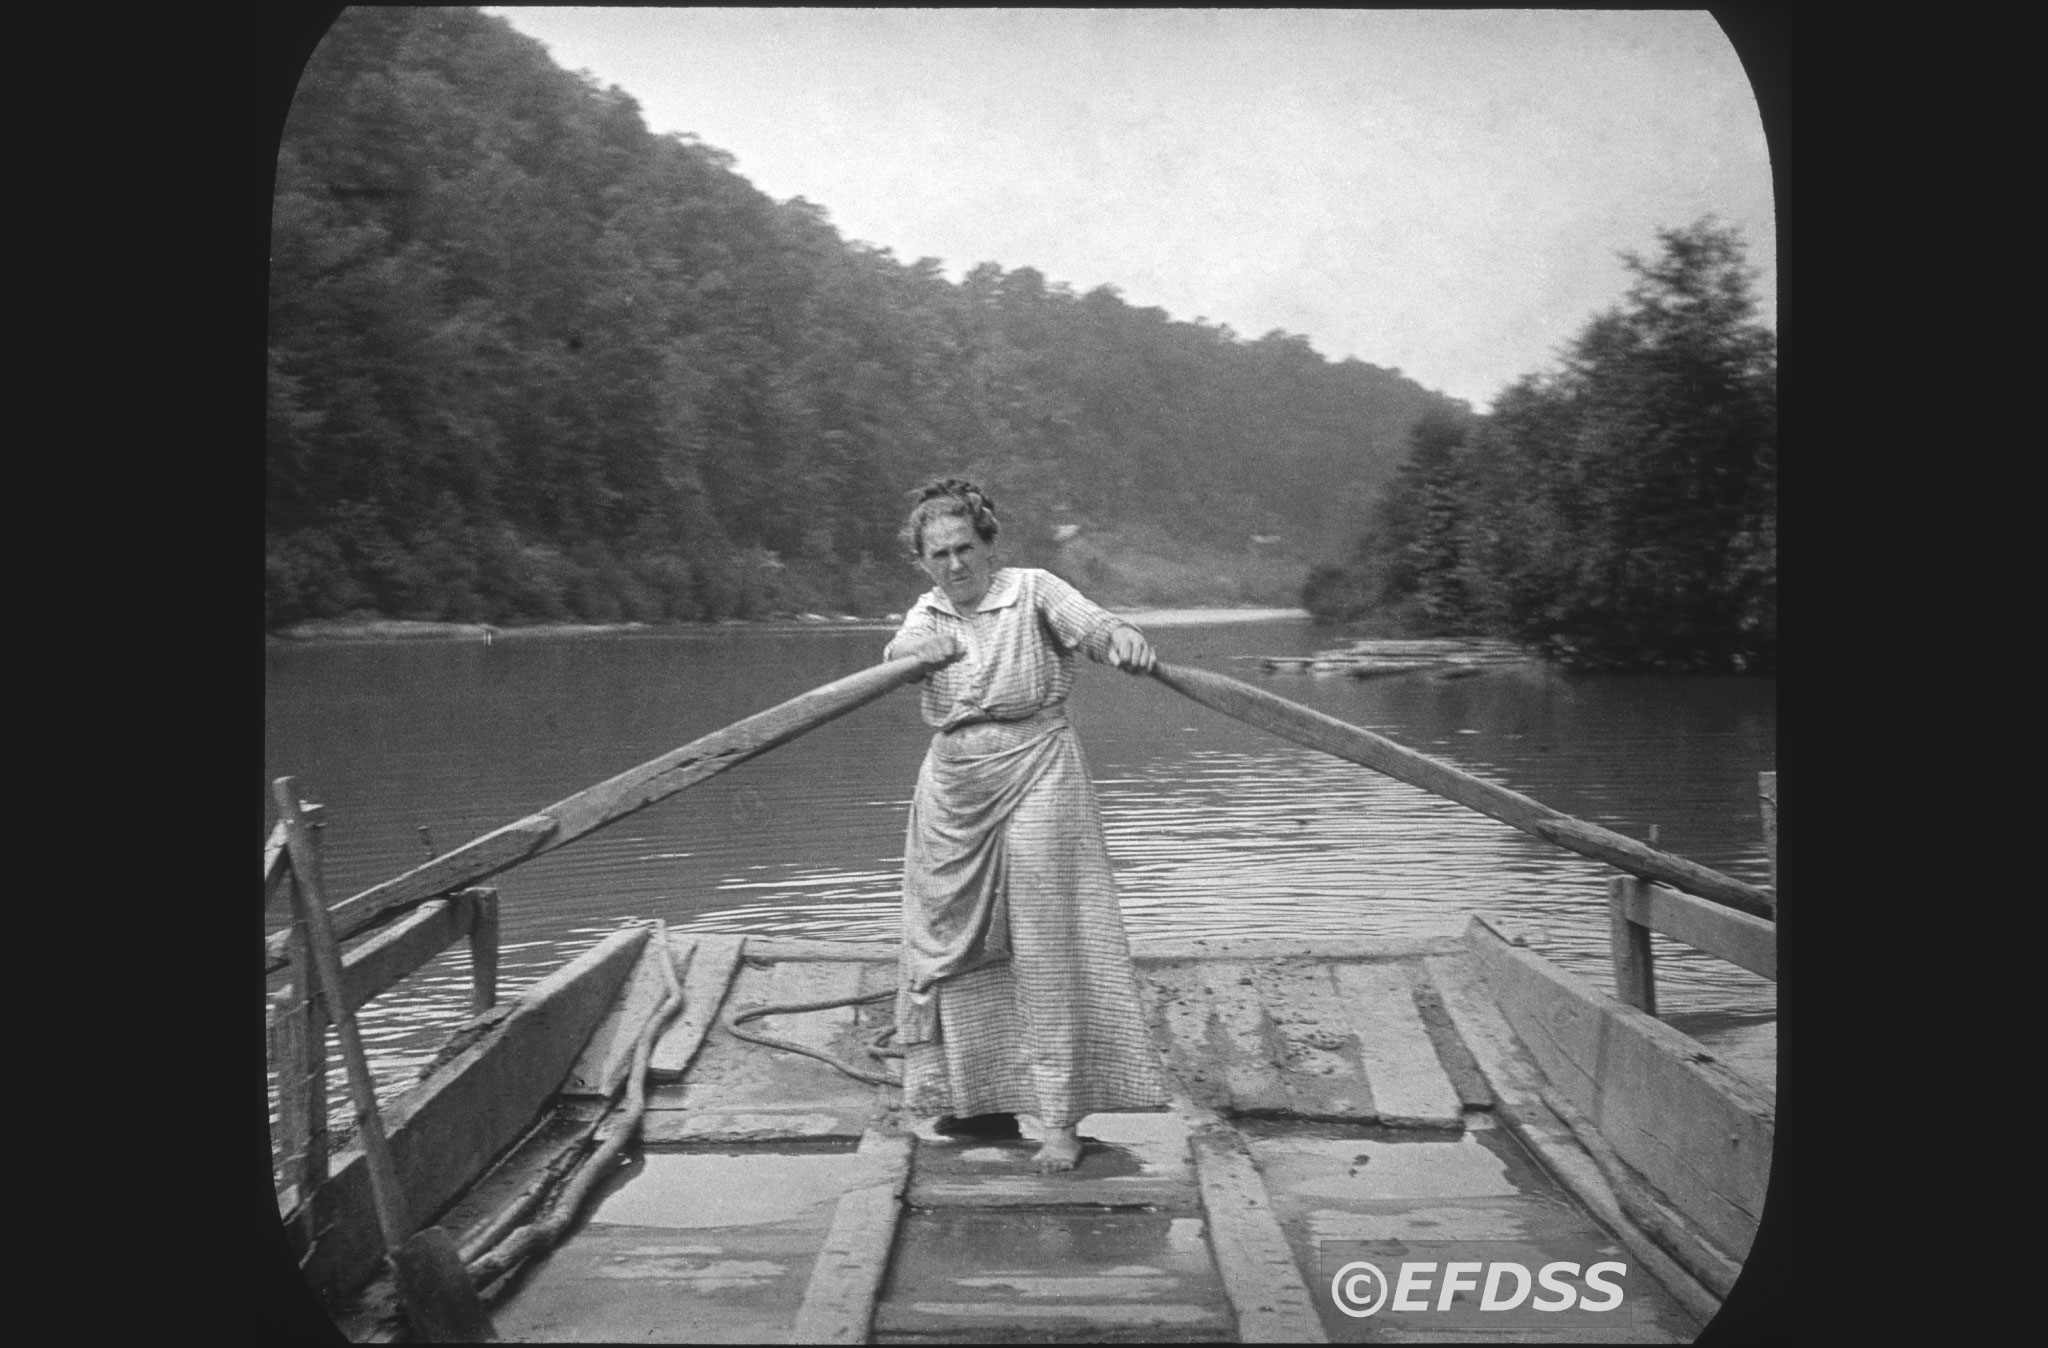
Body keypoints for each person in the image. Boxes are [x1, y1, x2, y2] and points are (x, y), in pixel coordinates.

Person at [884, 478, 1170, 1173]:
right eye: (938, 555)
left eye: (964, 549)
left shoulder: (1035, 590)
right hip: (954, 788)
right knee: (952, 941)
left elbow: (1096, 627)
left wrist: (1122, 638)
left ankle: (1062, 1120)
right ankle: (977, 1101)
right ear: (923, 562)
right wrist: (916, 658)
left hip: (1039, 764)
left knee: (1046, 937)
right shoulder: (927, 614)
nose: (954, 566)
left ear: (988, 545)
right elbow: (898, 655)